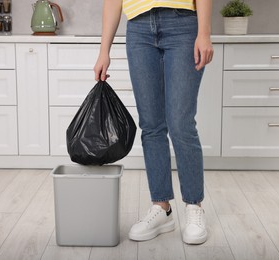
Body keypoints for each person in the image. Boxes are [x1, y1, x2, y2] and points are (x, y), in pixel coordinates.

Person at [94, 0, 213, 244]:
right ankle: (162, 208)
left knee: (181, 123)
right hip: (138, 28)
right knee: (151, 125)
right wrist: (103, 50)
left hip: (182, 24)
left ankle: (194, 206)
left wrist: (204, 33)